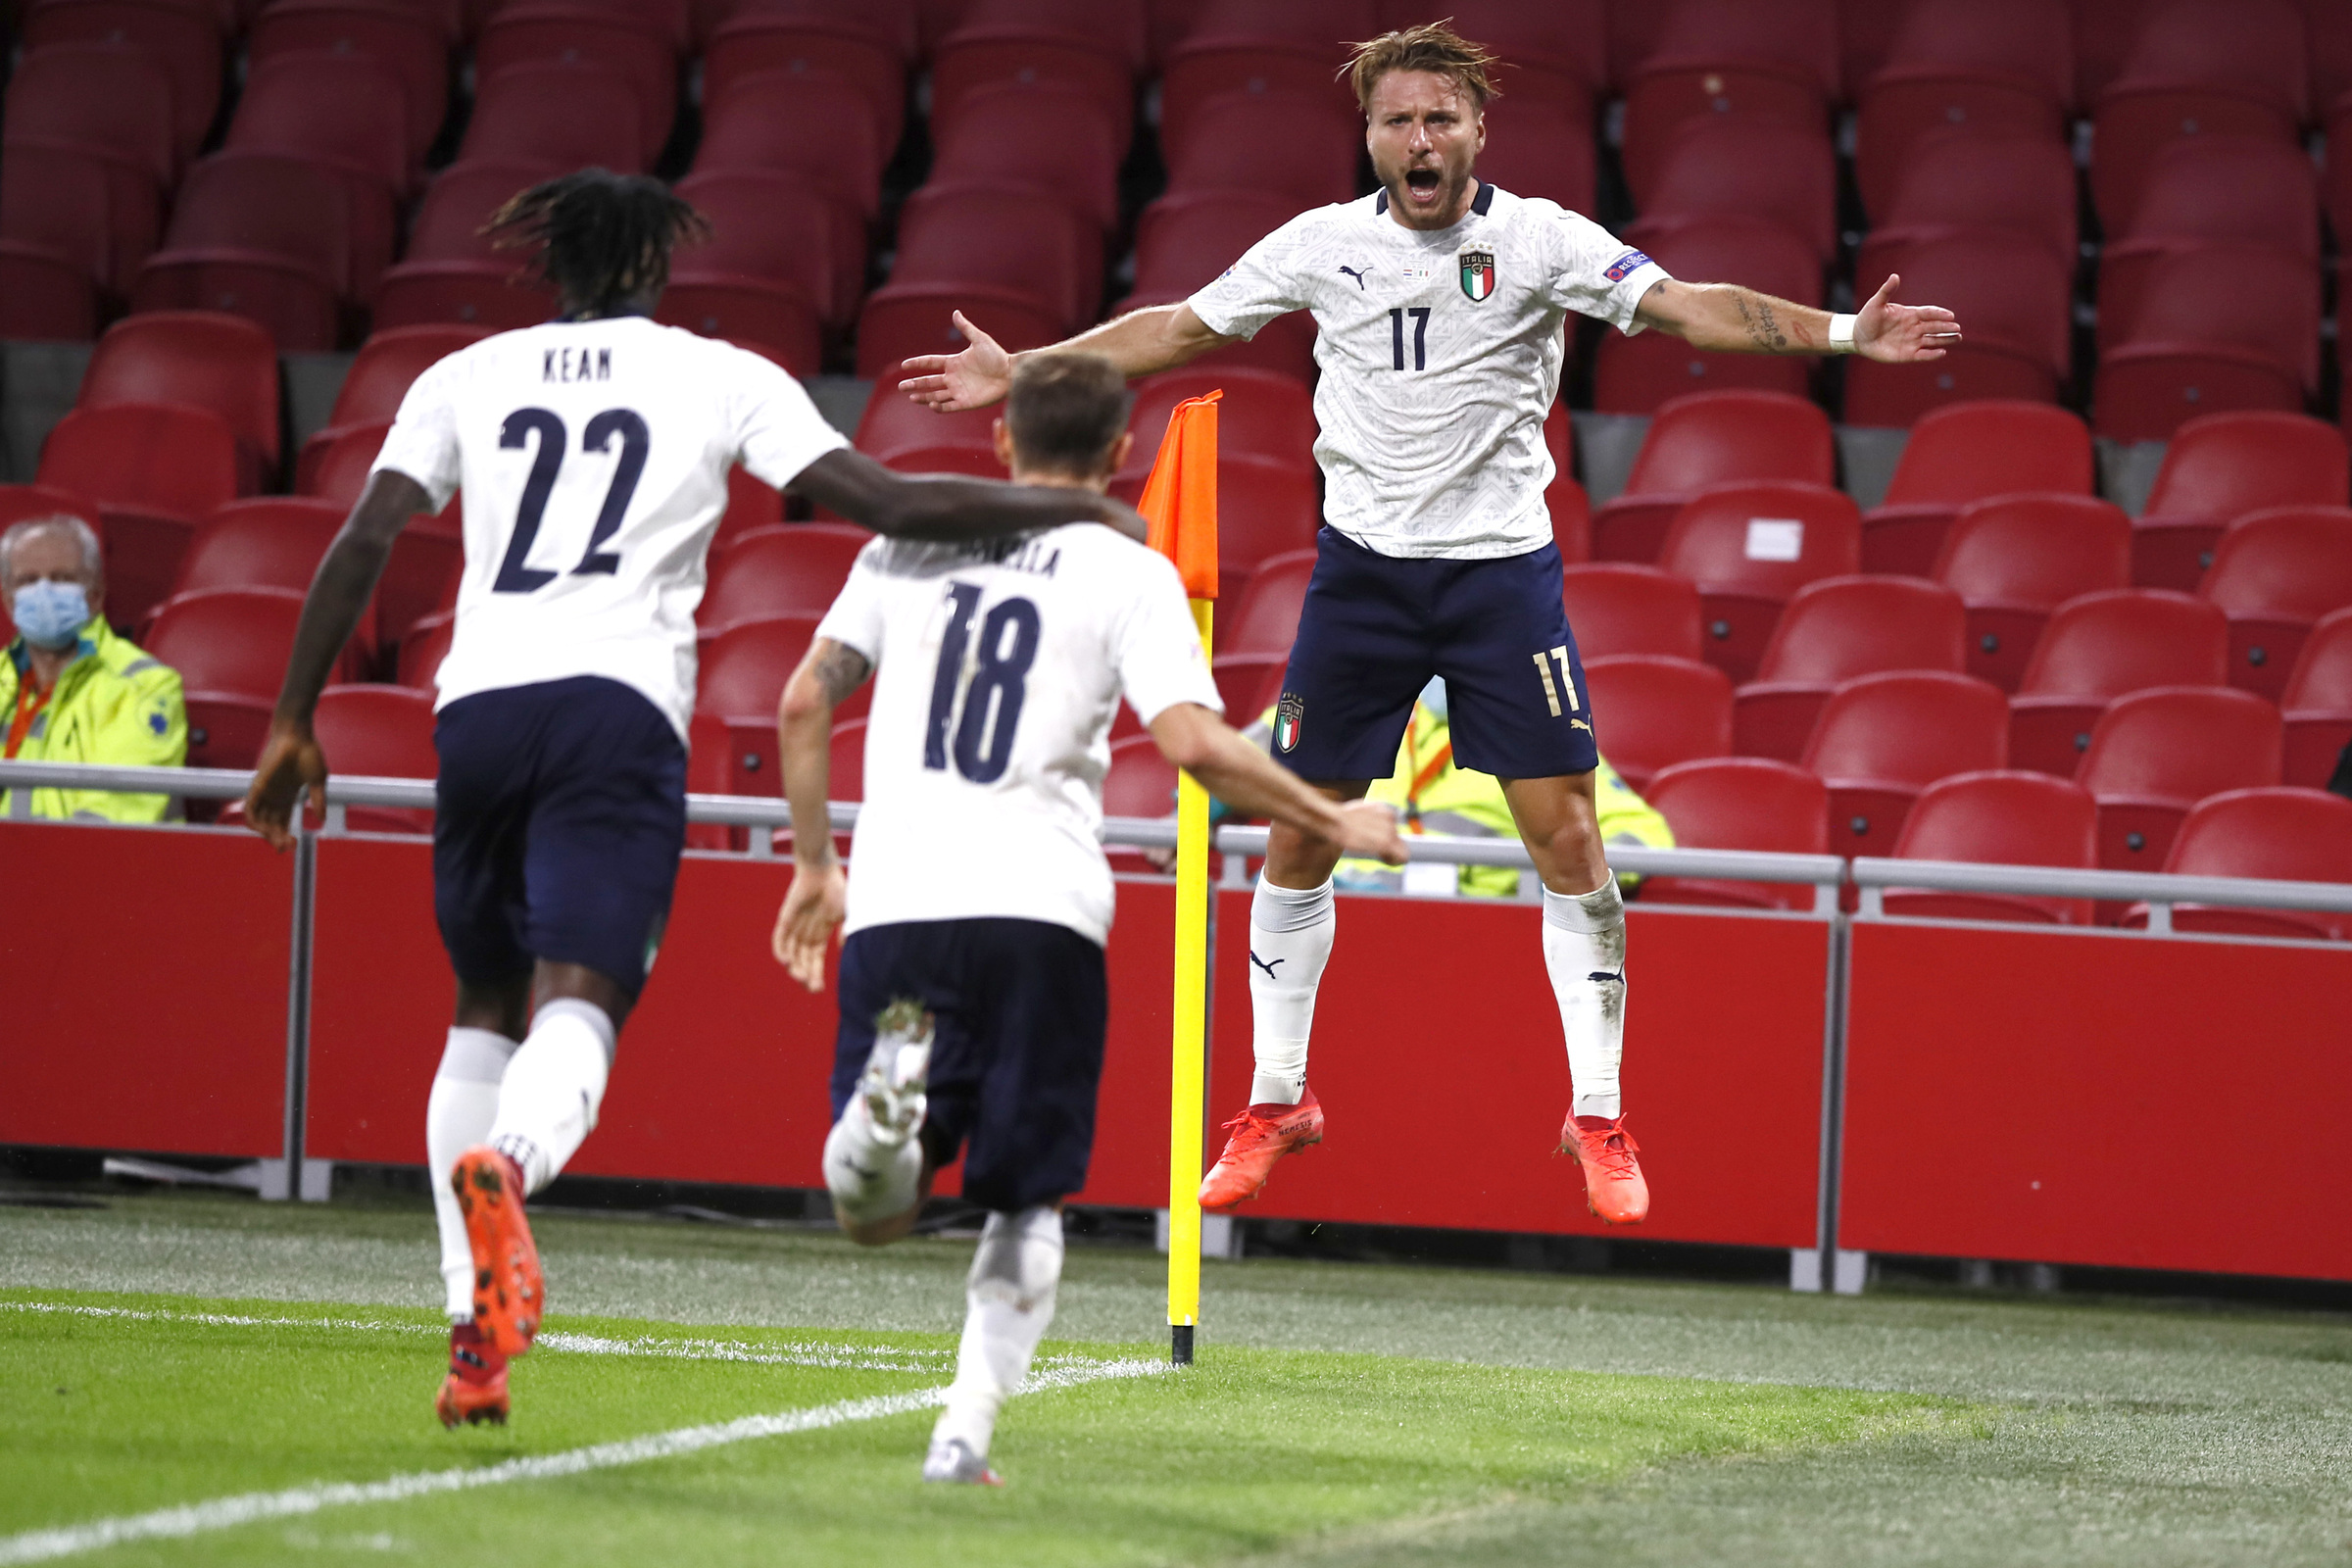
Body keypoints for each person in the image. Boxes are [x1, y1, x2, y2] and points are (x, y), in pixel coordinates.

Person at [899, 23, 1964, 1227]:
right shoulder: (1320, 245)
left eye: (1441, 120)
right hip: (1361, 581)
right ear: (1371, 136)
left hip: (1500, 580)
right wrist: (1026, 368)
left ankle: (1599, 1112)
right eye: (1400, 120)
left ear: (1476, 133)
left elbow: (1681, 307)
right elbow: (1179, 328)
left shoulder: (1541, 239)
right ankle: (1277, 1100)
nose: (1422, 139)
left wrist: (1839, 334)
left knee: (1568, 841)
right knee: (1297, 835)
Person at [242, 172, 1160, 1432]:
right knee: (583, 998)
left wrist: (294, 715)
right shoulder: (716, 372)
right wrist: (1070, 509)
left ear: (550, 266)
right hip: (613, 711)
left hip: (478, 705)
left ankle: (473, 1328)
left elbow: (363, 535)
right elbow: (883, 504)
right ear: (657, 267)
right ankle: (510, 1168)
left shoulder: (466, 372)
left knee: (482, 1004)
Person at [770, 353, 1407, 1485]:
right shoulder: (1129, 568)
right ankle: (961, 1437)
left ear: (1002, 442)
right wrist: (1334, 819)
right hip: (1040, 910)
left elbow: (803, 696)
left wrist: (817, 863)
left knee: (872, 1209)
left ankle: (883, 1123)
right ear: (1120, 454)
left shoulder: (900, 541)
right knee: (1025, 1199)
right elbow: (1197, 746)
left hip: (898, 897)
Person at [1321, 679, 1673, 899]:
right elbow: (1270, 765)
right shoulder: (1358, 712)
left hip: (1472, 923)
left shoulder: (1545, 739)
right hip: (1345, 907)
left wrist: (1558, 879)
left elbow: (1643, 835)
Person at [0, 514, 185, 821]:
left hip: (92, 865)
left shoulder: (145, 686)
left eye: (62, 579)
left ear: (96, 595)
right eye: (28, 581)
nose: (44, 593)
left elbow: (112, 818)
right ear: (8, 600)